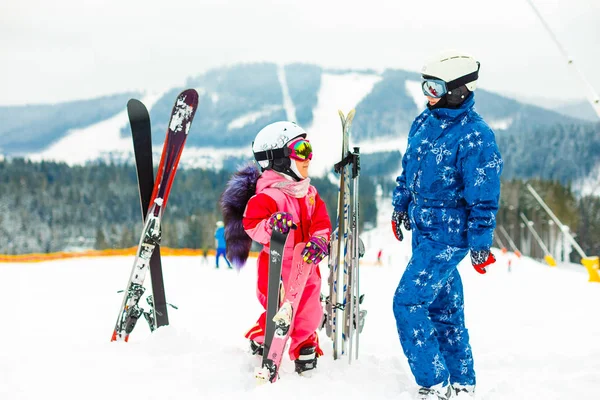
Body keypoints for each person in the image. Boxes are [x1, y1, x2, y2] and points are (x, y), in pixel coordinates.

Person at [391, 50, 503, 400]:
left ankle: (434, 383)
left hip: (449, 235)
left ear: (458, 89)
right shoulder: (424, 121)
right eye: (425, 85)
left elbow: (484, 196)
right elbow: (408, 168)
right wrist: (401, 204)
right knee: (443, 308)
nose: (428, 93)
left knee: (407, 302)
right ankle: (463, 381)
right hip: (425, 230)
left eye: (435, 87)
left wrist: (480, 242)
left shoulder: (475, 136)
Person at [220, 121, 331, 375]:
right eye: (302, 149)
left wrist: (319, 240)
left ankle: (304, 342)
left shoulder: (310, 193)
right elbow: (252, 225)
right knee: (278, 309)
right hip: (277, 267)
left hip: (306, 265)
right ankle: (264, 335)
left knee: (310, 310)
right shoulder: (268, 196)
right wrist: (272, 226)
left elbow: (321, 222)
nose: (309, 156)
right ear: (279, 158)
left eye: (310, 148)